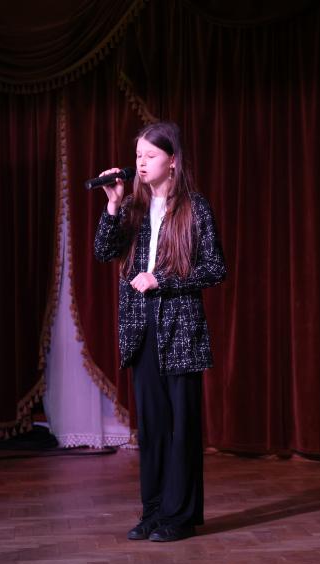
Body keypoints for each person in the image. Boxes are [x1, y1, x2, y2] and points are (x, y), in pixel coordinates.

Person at [94, 121, 226, 542]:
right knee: (151, 428)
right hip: (141, 329)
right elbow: (103, 251)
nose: (141, 163)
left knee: (181, 427)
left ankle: (179, 516)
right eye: (138, 156)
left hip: (181, 330)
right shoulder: (132, 208)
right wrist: (113, 204)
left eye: (150, 155)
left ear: (172, 161)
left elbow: (215, 268)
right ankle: (152, 512)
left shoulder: (194, 208)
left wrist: (161, 281)